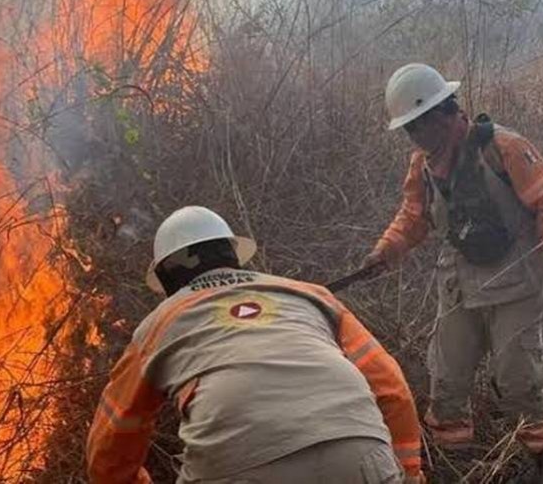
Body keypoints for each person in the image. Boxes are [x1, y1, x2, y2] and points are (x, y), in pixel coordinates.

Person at [361, 63, 543, 482]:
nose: (415, 137)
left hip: (515, 283)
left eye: (419, 126)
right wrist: (385, 250)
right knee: (446, 380)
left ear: (446, 113)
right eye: (409, 130)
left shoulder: (503, 147)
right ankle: (454, 468)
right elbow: (413, 216)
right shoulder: (423, 166)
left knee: (518, 381)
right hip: (459, 285)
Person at [87, 206, 425, 483]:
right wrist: (409, 474)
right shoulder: (310, 295)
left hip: (238, 466)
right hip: (358, 454)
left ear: (166, 277)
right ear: (233, 253)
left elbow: (114, 436)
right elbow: (392, 389)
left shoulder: (159, 324)